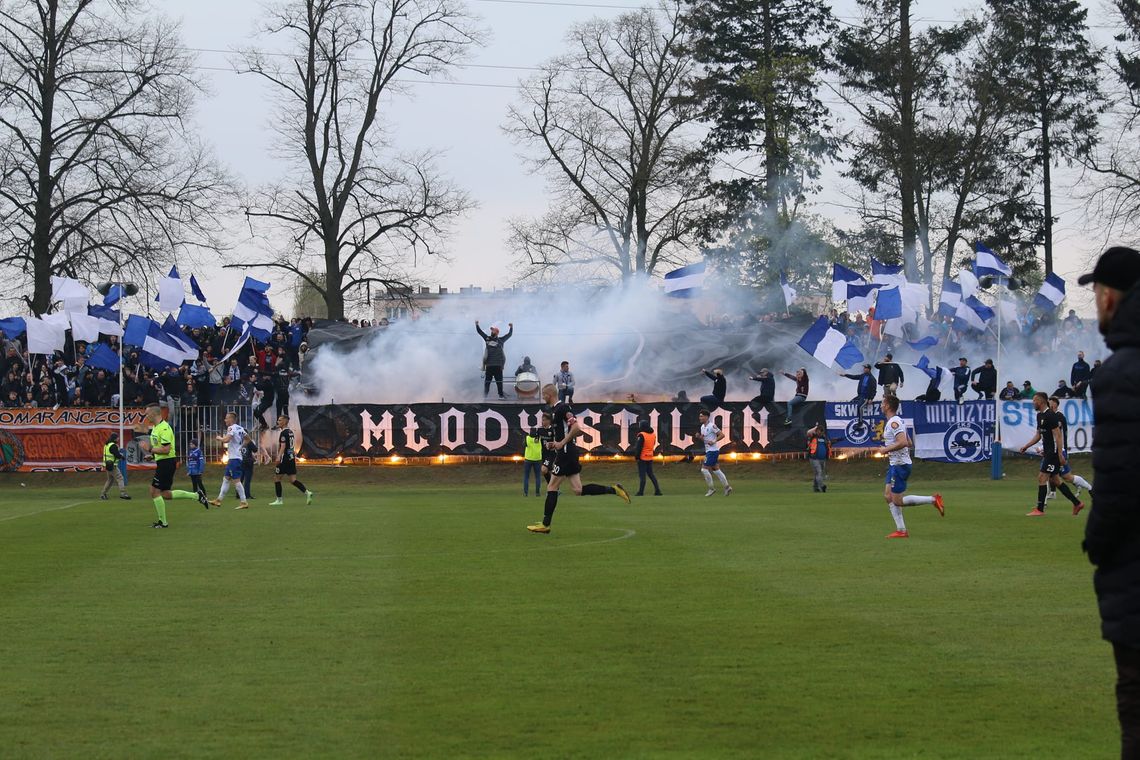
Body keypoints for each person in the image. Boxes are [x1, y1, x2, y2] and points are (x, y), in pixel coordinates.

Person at [1079, 245, 1140, 759]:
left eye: (1097, 292)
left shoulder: (1121, 374)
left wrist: (1096, 544)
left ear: (1111, 298)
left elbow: (1119, 482)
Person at [527, 384, 630, 534]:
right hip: (568, 452)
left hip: (566, 453)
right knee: (578, 490)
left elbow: (576, 428)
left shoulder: (562, 408)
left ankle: (545, 524)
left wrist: (562, 443)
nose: (543, 397)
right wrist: (555, 443)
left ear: (549, 394)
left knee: (552, 487)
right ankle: (614, 489)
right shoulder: (556, 410)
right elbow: (566, 432)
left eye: (544, 394)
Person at [877, 394, 945, 538]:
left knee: (897, 500)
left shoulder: (893, 423)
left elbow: (902, 442)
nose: (881, 405)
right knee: (888, 496)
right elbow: (909, 442)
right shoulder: (898, 421)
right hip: (895, 464)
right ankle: (901, 530)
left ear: (888, 406)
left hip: (900, 466)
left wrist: (885, 449)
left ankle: (933, 499)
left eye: (883, 403)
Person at [1018, 391, 1082, 516]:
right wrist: (1026, 446)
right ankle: (1077, 503)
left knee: (1042, 477)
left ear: (1041, 401)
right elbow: (1038, 435)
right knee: (1056, 480)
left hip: (1053, 453)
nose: (1033, 403)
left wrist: (1060, 454)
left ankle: (1040, 509)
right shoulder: (1039, 416)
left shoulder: (1051, 415)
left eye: (1035, 400)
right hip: (1048, 453)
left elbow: (1058, 436)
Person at [138, 405, 201, 528]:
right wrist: (153, 456)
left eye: (147, 414)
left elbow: (166, 450)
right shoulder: (156, 428)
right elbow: (162, 449)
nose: (146, 416)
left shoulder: (165, 428)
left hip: (167, 463)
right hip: (163, 462)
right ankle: (196, 495)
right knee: (165, 494)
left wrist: (150, 449)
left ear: (154, 414)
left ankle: (163, 522)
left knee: (154, 491)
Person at [1048, 395, 1094, 501]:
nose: (1049, 403)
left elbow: (1057, 435)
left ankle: (1089, 489)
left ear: (1055, 404)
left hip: (1060, 450)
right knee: (1054, 474)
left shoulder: (1059, 417)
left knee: (1064, 476)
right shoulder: (1051, 416)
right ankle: (1052, 493)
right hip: (1053, 450)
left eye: (1050, 401)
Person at [269, 414, 314, 506]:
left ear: (285, 421)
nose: (278, 422)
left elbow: (283, 446)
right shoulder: (290, 432)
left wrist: (278, 457)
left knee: (277, 479)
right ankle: (307, 492)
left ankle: (279, 500)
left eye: (280, 420)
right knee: (293, 480)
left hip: (284, 458)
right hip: (291, 458)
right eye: (278, 420)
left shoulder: (283, 433)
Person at [211, 411, 249, 510]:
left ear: (231, 419)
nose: (225, 420)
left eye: (226, 418)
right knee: (226, 478)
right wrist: (241, 447)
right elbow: (248, 439)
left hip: (234, 459)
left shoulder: (231, 428)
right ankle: (218, 500)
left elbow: (226, 440)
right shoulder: (241, 428)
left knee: (236, 481)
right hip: (235, 457)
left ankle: (244, 501)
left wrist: (219, 438)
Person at [696, 408, 732, 497]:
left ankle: (711, 489)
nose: (700, 418)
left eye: (701, 416)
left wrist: (714, 441)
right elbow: (705, 439)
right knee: (716, 470)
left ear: (706, 417)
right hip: (709, 450)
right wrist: (699, 437)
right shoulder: (702, 427)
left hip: (712, 451)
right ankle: (727, 487)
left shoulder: (712, 426)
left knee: (704, 470)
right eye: (699, 416)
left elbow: (722, 435)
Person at [476, 320, 513, 399]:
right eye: (491, 330)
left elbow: (509, 335)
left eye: (493, 330)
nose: (491, 331)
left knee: (499, 382)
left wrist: (511, 327)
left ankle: (501, 395)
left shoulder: (501, 340)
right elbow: (480, 332)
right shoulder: (487, 338)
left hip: (498, 365)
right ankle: (485, 396)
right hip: (489, 365)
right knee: (487, 382)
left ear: (496, 332)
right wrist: (477, 324)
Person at [840, 364, 877, 430]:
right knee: (851, 403)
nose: (864, 369)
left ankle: (860, 423)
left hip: (866, 397)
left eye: (865, 368)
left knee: (859, 407)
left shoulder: (872, 379)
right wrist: (845, 375)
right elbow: (854, 377)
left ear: (869, 369)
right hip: (860, 396)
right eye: (864, 368)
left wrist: (871, 398)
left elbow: (874, 390)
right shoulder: (862, 376)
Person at [632, 419, 662, 496]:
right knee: (651, 474)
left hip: (642, 457)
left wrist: (637, 457)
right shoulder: (653, 434)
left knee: (642, 476)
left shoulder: (641, 435)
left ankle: (641, 492)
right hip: (650, 457)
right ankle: (657, 490)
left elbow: (639, 447)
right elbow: (653, 444)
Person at [99, 432, 131, 501]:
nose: (118, 439)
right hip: (112, 465)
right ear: (115, 438)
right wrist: (122, 457)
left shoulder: (107, 445)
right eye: (117, 437)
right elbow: (116, 454)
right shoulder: (113, 445)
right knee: (120, 478)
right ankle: (123, 494)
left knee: (110, 480)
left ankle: (103, 494)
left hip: (107, 465)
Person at [806, 422, 835, 493]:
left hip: (823, 459)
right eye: (818, 430)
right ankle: (822, 486)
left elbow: (828, 445)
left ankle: (815, 488)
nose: (820, 432)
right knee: (819, 472)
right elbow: (808, 432)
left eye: (821, 430)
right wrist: (816, 427)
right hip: (814, 458)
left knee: (817, 473)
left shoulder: (824, 438)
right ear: (816, 431)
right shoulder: (813, 436)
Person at [185, 438, 209, 506]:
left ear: (195, 445)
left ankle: (204, 496)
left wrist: (200, 470)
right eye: (190, 444)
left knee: (200, 483)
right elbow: (189, 462)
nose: (190, 445)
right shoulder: (190, 452)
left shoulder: (199, 451)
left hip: (197, 471)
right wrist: (189, 471)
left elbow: (201, 461)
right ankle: (195, 496)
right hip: (192, 471)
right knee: (194, 484)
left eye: (192, 444)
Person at [522, 424, 544, 497]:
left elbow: (524, 445)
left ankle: (525, 493)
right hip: (538, 459)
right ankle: (537, 493)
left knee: (526, 477)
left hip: (528, 459)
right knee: (538, 477)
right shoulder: (539, 438)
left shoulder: (527, 438)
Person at [240, 435, 257, 500]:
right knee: (247, 480)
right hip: (248, 462)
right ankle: (247, 495)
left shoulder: (239, 441)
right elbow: (255, 449)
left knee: (240, 479)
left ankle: (238, 494)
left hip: (240, 461)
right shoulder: (249, 442)